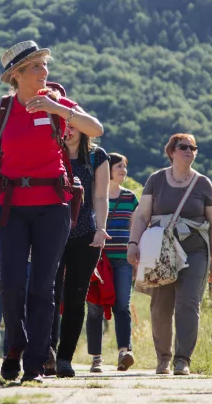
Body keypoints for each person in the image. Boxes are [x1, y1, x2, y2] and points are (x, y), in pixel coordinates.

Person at [0, 41, 104, 383]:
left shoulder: (57, 102)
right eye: (36, 67)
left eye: (45, 65)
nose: (44, 72)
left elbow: (96, 129)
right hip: (11, 207)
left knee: (43, 288)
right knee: (12, 283)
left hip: (53, 207)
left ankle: (34, 363)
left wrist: (60, 111)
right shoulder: (0, 111)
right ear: (16, 76)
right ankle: (15, 345)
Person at [127, 134, 212, 376]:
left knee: (188, 304)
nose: (189, 151)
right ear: (171, 151)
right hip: (160, 252)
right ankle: (163, 360)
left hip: (195, 251)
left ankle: (182, 360)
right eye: (184, 147)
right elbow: (141, 216)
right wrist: (133, 243)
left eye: (193, 148)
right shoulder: (156, 180)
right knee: (160, 306)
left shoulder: (203, 183)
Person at [47, 125, 110, 378]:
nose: (68, 130)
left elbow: (101, 197)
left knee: (75, 298)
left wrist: (101, 229)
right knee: (47, 295)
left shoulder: (97, 156)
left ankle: (64, 358)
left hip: (85, 235)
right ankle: (46, 353)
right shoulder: (49, 153)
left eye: (73, 126)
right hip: (51, 235)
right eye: (64, 125)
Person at [85, 152, 139, 373]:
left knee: (122, 306)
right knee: (95, 308)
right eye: (118, 166)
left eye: (125, 167)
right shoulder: (94, 195)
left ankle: (124, 353)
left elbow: (135, 230)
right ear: (107, 169)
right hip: (96, 260)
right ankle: (96, 358)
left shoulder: (131, 198)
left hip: (123, 259)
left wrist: (136, 261)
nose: (123, 170)